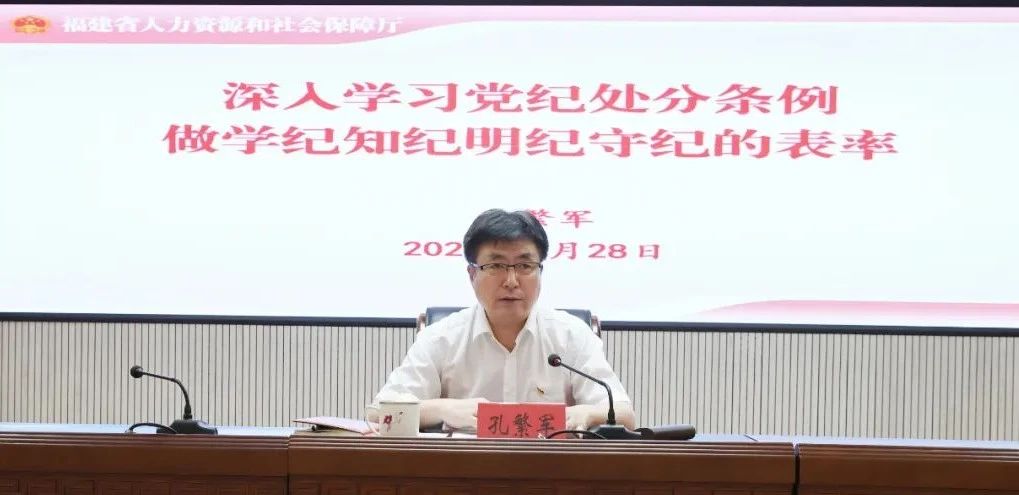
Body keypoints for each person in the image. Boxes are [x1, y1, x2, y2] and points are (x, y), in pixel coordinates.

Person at [370, 208, 635, 432]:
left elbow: (624, 415)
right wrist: (445, 409)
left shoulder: (571, 335)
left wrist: (586, 413)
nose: (511, 281)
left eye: (524, 266)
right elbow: (379, 413)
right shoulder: (441, 337)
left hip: (551, 468)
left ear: (540, 272)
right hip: (463, 469)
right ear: (472, 275)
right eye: (496, 266)